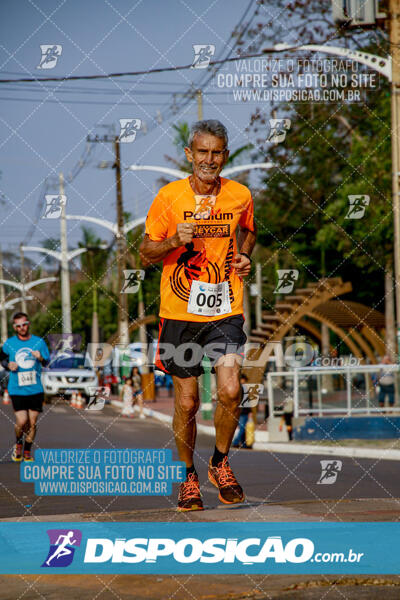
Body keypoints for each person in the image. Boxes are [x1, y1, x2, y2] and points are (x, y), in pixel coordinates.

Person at [139, 119, 256, 511]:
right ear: (190, 155)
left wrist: (244, 256)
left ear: (225, 155)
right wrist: (175, 240)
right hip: (179, 312)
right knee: (187, 403)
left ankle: (220, 462)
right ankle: (188, 476)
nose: (209, 159)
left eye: (216, 152)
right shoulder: (168, 198)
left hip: (225, 305)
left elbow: (250, 231)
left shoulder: (239, 195)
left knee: (230, 390)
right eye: (202, 152)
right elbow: (145, 252)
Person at [0, 312, 50, 462]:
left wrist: (40, 357)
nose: (22, 328)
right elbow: (1, 359)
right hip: (17, 388)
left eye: (24, 324)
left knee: (32, 422)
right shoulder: (9, 343)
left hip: (35, 388)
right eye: (18, 325)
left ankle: (27, 450)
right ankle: (18, 444)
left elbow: (47, 362)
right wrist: (8, 365)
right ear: (14, 327)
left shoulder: (39, 342)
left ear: (28, 324)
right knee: (22, 421)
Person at [232, 374, 252, 449]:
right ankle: (235, 442)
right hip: (243, 412)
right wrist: (250, 411)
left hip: (241, 411)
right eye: (244, 380)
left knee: (243, 428)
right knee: (243, 428)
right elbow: (245, 401)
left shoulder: (239, 388)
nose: (245, 382)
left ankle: (244, 444)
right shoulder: (242, 388)